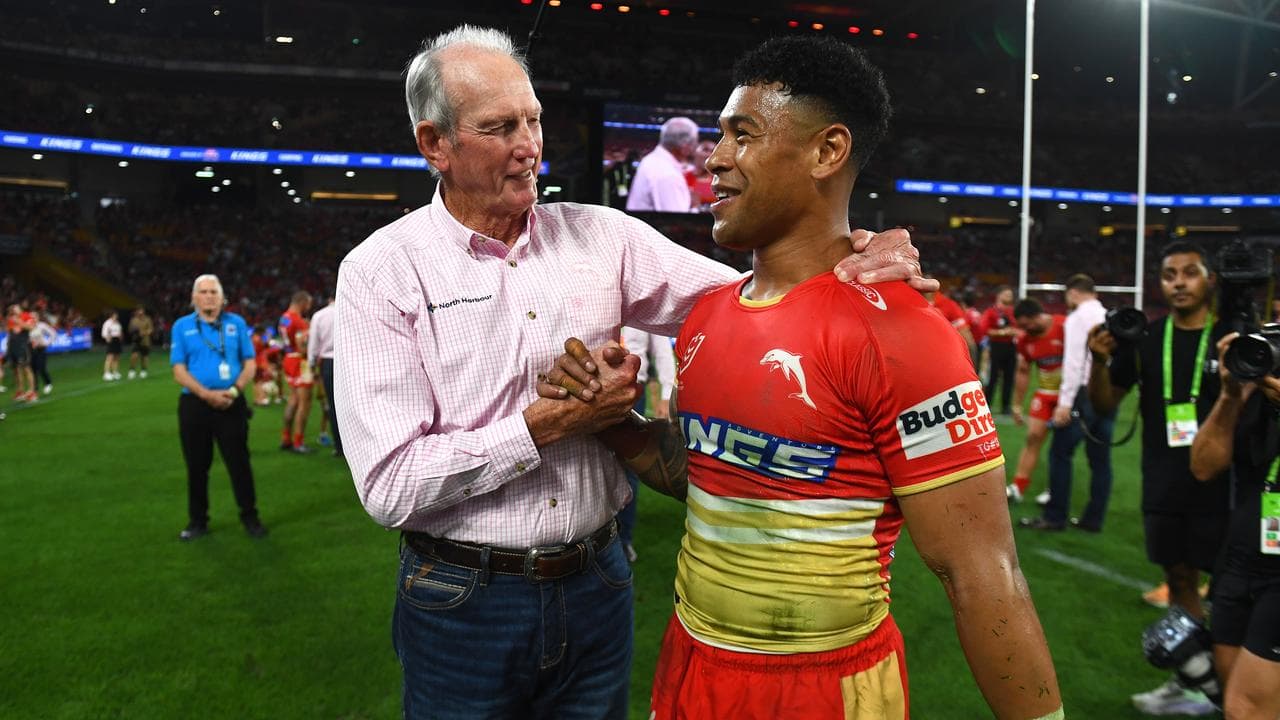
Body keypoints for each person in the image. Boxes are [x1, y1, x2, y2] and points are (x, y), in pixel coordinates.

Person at [333, 24, 933, 720]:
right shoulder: (383, 272)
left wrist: (858, 254)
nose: (530, 146)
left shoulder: (602, 235)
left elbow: (755, 300)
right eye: (499, 128)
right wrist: (551, 424)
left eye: (533, 120)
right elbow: (390, 485)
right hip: (462, 599)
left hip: (599, 585)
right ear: (434, 144)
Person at [549, 35, 1061, 720]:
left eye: (743, 135)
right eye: (719, 136)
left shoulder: (903, 333)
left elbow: (981, 574)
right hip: (690, 666)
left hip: (828, 688)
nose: (716, 157)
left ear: (827, 151)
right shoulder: (707, 317)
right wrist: (612, 420)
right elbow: (710, 476)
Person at [1087, 242, 1228, 715]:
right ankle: (1192, 679)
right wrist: (1099, 361)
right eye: (1170, 275)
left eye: (1190, 272)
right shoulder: (1148, 337)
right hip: (1165, 479)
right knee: (1179, 578)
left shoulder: (1231, 337)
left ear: (1208, 278)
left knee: (1232, 588)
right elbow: (1107, 405)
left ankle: (1239, 684)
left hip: (1227, 485)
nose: (1180, 282)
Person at [1189, 335, 1280, 719]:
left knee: (1246, 707)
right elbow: (1204, 465)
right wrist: (1230, 396)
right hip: (1240, 560)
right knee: (1233, 701)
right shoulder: (1260, 384)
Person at [170, 274, 266, 541]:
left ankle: (250, 517)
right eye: (204, 292)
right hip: (195, 404)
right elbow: (178, 370)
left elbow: (250, 363)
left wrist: (234, 390)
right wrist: (206, 394)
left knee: (240, 463)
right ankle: (197, 521)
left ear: (222, 297)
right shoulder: (181, 326)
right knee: (197, 466)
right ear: (194, 297)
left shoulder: (236, 323)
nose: (209, 296)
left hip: (232, 402)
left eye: (214, 291)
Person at [1021, 273, 1114, 531]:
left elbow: (1073, 363)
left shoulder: (1077, 319)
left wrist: (1064, 403)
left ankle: (1055, 517)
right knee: (1101, 460)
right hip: (1108, 393)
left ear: (1073, 292)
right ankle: (1093, 520)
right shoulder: (1108, 316)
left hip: (1084, 393)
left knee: (1060, 453)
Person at [616, 326, 677, 562]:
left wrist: (666, 394)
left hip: (633, 392)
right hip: (593, 389)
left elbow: (662, 350)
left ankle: (624, 541)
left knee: (632, 467)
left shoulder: (639, 302)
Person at [1005, 298, 1066, 503]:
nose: (1025, 330)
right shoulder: (1026, 341)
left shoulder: (1064, 326)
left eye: (1026, 325)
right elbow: (1023, 372)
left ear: (1038, 316)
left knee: (1061, 447)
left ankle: (1055, 489)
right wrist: (1016, 404)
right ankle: (1018, 487)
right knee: (1032, 437)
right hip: (1044, 394)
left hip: (1067, 398)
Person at [625, 116, 698, 213]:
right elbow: (676, 221)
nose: (695, 147)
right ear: (685, 145)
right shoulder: (668, 174)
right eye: (694, 142)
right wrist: (694, 207)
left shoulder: (652, 160)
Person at [278, 290, 314, 453]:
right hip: (300, 361)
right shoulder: (298, 321)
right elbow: (302, 345)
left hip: (288, 359)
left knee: (293, 399)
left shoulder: (284, 318)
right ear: (303, 303)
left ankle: (286, 438)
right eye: (308, 304)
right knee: (304, 402)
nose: (308, 307)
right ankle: (298, 442)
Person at [307, 294, 342, 457]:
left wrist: (311, 365)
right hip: (350, 361)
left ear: (329, 299)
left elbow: (313, 344)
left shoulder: (320, 315)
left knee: (334, 406)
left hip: (329, 363)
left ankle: (340, 447)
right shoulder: (349, 310)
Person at [980, 286, 1018, 414]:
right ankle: (987, 404)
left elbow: (1019, 328)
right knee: (992, 377)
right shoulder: (991, 312)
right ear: (999, 295)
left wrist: (1013, 332)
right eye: (1006, 294)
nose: (1009, 297)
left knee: (1009, 377)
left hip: (1010, 348)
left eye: (1010, 295)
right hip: (995, 347)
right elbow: (984, 330)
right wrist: (1002, 332)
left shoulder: (1013, 312)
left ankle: (1006, 406)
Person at [5, 303, 36, 401]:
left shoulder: (26, 316)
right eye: (12, 308)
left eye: (15, 307)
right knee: (16, 370)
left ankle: (32, 392)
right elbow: (10, 331)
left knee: (26, 368)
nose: (14, 309)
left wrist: (18, 321)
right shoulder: (10, 318)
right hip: (12, 346)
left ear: (20, 309)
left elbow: (31, 328)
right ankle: (20, 391)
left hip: (22, 346)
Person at [127, 306, 154, 379]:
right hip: (136, 340)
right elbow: (130, 329)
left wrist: (144, 333)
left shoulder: (148, 319)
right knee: (134, 356)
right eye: (138, 311)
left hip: (145, 341)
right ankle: (132, 370)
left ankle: (143, 370)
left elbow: (151, 329)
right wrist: (135, 332)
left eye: (141, 310)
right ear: (136, 312)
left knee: (144, 356)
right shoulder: (133, 320)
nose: (140, 312)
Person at [30, 311, 54, 394]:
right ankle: (34, 389)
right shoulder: (27, 326)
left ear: (37, 318)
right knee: (32, 370)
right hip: (30, 350)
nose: (32, 319)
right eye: (31, 317)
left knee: (41, 368)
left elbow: (53, 333)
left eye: (34, 317)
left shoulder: (42, 325)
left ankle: (48, 383)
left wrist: (47, 343)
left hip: (41, 349)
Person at [102, 310, 123, 381]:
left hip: (117, 340)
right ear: (111, 315)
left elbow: (120, 332)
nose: (116, 316)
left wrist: (120, 337)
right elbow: (104, 333)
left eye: (116, 315)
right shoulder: (107, 323)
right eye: (115, 315)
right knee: (109, 357)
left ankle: (115, 372)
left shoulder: (118, 323)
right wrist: (108, 338)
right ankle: (106, 373)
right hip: (111, 340)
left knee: (116, 357)